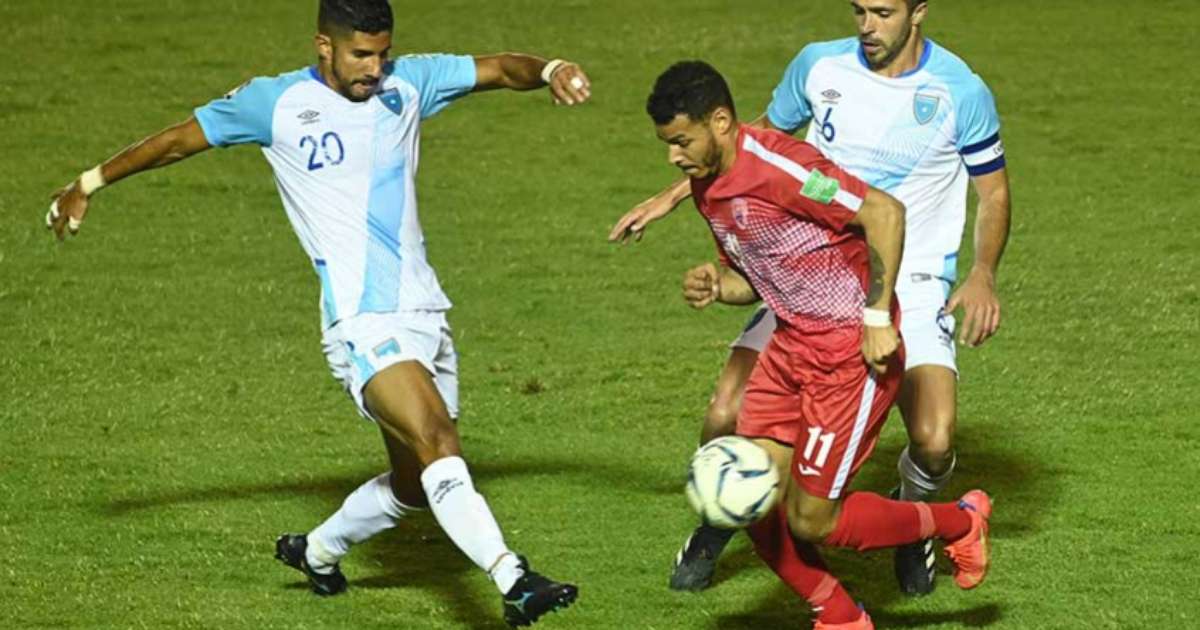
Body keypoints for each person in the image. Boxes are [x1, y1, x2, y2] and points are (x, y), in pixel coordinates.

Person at [45, 1, 590, 625]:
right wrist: (89, 182)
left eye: (383, 52)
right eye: (361, 54)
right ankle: (513, 576)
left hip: (426, 312)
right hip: (362, 323)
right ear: (324, 47)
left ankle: (318, 550)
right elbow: (176, 142)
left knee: (416, 482)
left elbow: (498, 69)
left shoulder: (409, 83)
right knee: (438, 437)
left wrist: (549, 68)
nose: (375, 67)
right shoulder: (272, 103)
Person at [612, 0, 1010, 595]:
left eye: (881, 11)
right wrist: (674, 196)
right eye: (858, 10)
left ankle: (915, 524)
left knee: (932, 440)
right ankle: (722, 515)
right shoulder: (818, 67)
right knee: (724, 414)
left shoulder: (960, 90)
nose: (867, 25)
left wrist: (982, 272)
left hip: (911, 275)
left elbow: (994, 193)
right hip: (809, 269)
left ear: (918, 11)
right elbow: (751, 149)